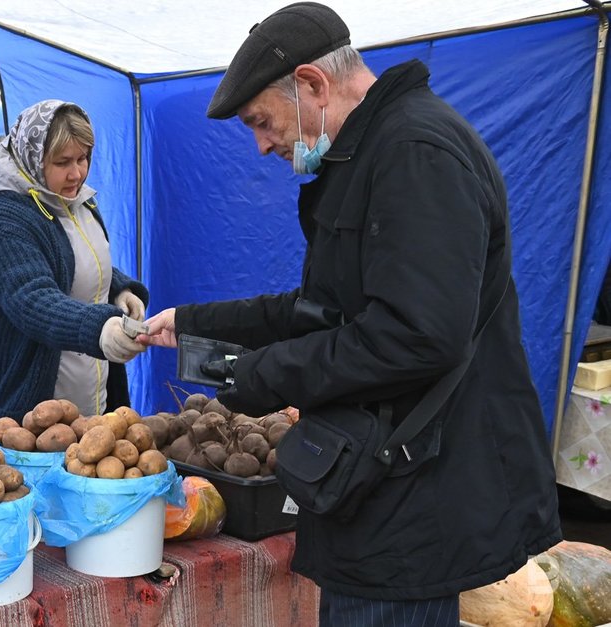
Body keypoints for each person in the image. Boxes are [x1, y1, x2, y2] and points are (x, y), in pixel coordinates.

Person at [139, 3, 561, 624]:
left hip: (415, 490)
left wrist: (261, 375)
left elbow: (416, 336)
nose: (260, 146)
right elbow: (326, 310)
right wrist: (200, 321)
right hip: (380, 480)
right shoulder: (372, 153)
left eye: (262, 121)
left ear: (312, 83)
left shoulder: (414, 153)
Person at [0, 99, 148, 436]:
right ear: (32, 159)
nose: (76, 172)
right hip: (25, 416)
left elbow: (76, 260)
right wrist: (99, 328)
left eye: (83, 158)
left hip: (93, 402)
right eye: (62, 162)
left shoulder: (77, 200)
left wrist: (118, 287)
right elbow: (31, 297)